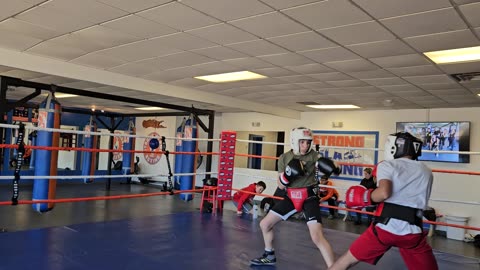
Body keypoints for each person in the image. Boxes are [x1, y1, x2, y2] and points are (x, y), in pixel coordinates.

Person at [329, 132, 438, 270]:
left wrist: (365, 197)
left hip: (384, 230)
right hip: (413, 234)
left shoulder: (388, 165)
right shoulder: (426, 171)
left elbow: (384, 192)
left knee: (346, 261)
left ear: (393, 147)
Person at [250, 127, 340, 267]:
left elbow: (328, 167)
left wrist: (335, 167)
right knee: (265, 224)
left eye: (308, 142)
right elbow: (280, 186)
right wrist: (287, 176)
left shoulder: (315, 156)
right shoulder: (284, 158)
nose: (306, 145)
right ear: (294, 141)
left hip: (309, 197)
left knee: (316, 236)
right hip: (291, 197)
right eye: (302, 142)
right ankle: (269, 255)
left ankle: (334, 267)